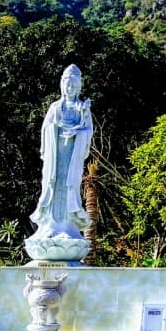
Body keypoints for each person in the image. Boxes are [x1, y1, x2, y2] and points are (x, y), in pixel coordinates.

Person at [30, 64, 93, 236]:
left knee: (70, 185)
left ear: (78, 87)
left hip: (72, 158)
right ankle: (50, 227)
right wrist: (55, 129)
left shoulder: (83, 109)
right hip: (55, 157)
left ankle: (67, 227)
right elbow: (46, 128)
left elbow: (88, 130)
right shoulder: (56, 107)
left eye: (73, 85)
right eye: (67, 85)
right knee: (52, 184)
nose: (70, 88)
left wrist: (77, 133)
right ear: (62, 86)